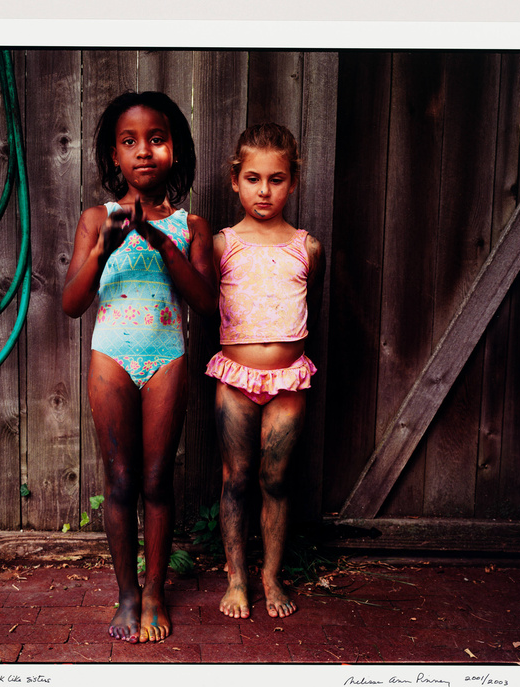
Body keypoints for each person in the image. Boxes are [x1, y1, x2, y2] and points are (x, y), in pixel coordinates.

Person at [62, 91, 216, 643]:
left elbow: (206, 303)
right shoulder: (95, 220)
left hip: (166, 357)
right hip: (112, 357)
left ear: (176, 150)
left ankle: (155, 591)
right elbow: (72, 302)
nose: (144, 151)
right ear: (114, 155)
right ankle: (127, 593)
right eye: (129, 142)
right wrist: (103, 250)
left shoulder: (191, 226)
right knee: (121, 481)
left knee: (156, 480)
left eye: (156, 139)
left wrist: (163, 245)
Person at [206, 123, 324, 619]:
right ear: (235, 180)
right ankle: (237, 577)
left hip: (288, 379)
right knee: (236, 478)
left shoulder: (306, 248)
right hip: (235, 379)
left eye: (276, 179)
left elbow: (310, 304)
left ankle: (271, 575)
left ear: (292, 182)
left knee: (275, 478)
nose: (264, 191)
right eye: (253, 178)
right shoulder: (222, 245)